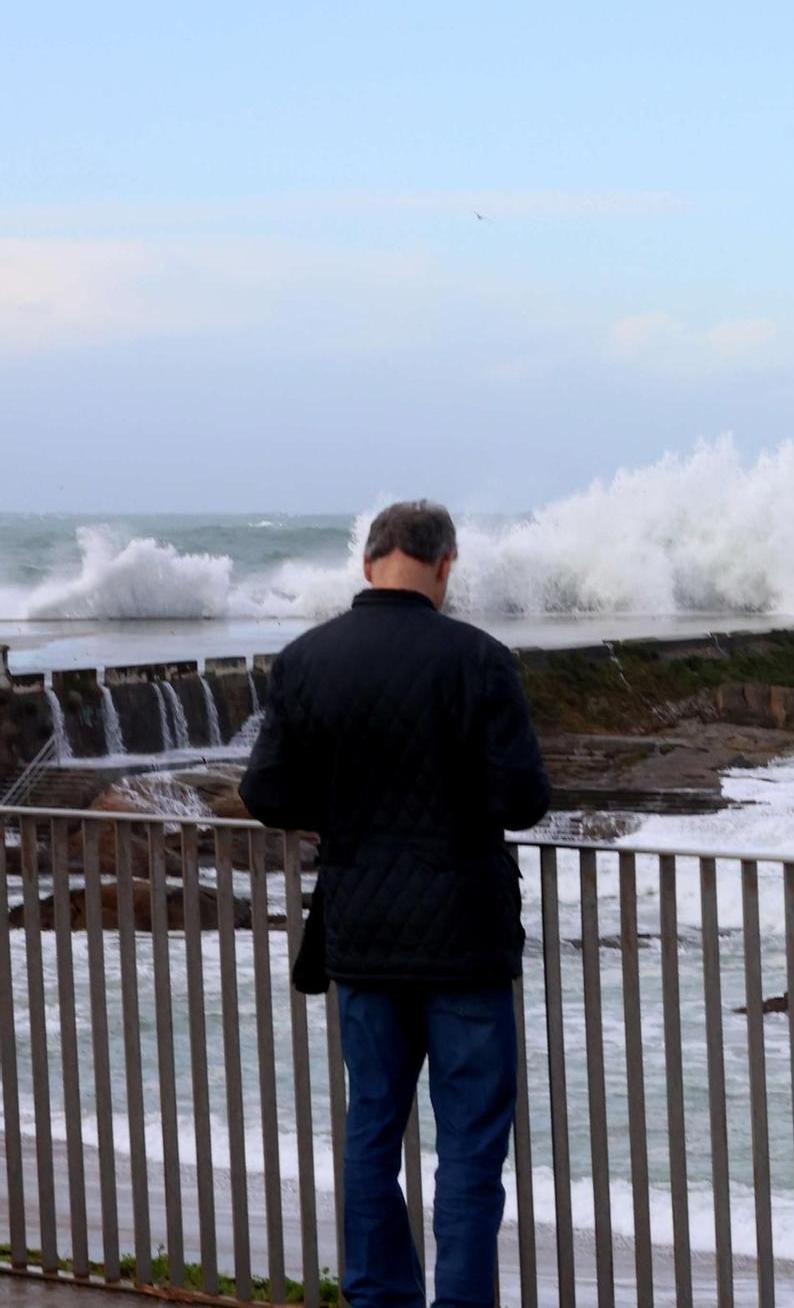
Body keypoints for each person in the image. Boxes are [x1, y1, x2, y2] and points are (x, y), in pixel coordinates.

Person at [242, 500, 549, 1308]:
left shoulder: (307, 659)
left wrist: (342, 810)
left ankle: (378, 1298)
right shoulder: (480, 660)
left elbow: (266, 790)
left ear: (370, 560)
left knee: (373, 1131)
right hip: (465, 939)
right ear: (445, 565)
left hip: (363, 932)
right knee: (472, 1149)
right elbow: (522, 800)